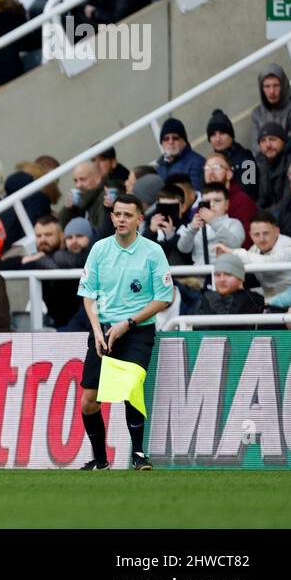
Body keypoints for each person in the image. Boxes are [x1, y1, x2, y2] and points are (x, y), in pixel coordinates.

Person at [77, 193, 173, 471]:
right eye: (117, 214)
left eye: (127, 215)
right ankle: (101, 460)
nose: (121, 219)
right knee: (89, 401)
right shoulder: (99, 249)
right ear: (111, 217)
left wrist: (128, 323)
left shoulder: (153, 252)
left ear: (139, 220)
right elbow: (88, 294)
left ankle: (139, 455)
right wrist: (97, 330)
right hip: (103, 330)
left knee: (131, 387)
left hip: (137, 331)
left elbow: (163, 297)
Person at [155, 117, 206, 189]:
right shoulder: (160, 166)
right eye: (166, 139)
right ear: (162, 143)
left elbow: (194, 193)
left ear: (184, 141)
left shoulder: (197, 163)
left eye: (175, 138)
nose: (170, 142)